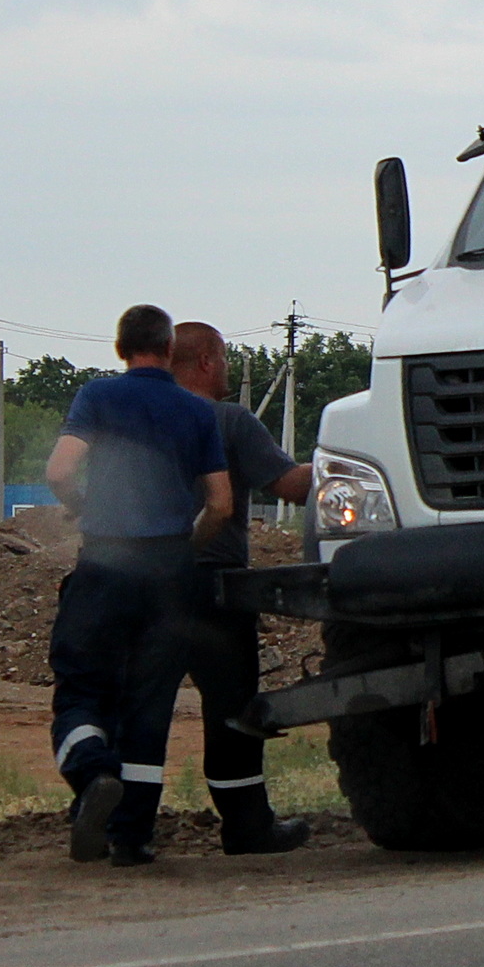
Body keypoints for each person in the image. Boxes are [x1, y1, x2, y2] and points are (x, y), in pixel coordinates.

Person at [44, 305, 232, 867]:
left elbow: (58, 472)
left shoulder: (98, 397)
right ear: (169, 349)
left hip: (105, 563)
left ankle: (93, 771)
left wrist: (87, 510)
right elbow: (221, 504)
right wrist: (184, 549)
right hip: (170, 575)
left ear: (121, 347)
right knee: (150, 704)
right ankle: (133, 840)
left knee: (81, 686)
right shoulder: (197, 412)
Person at [170, 321, 313, 855]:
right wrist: (348, 466)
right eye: (225, 359)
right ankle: (247, 827)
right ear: (206, 361)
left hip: (143, 582)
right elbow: (288, 486)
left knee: (140, 703)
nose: (227, 370)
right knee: (230, 709)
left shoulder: (139, 422)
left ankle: (125, 829)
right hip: (214, 585)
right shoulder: (229, 420)